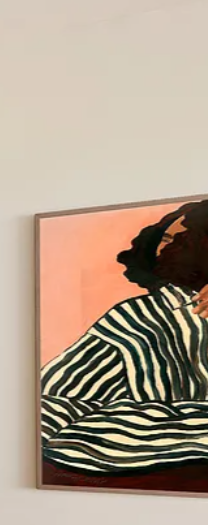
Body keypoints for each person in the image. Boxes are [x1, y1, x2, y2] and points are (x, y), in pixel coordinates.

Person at [41, 199, 208, 475]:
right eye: (164, 239)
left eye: (181, 238)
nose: (165, 248)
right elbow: (57, 394)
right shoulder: (137, 316)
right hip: (145, 454)